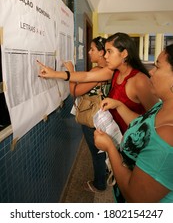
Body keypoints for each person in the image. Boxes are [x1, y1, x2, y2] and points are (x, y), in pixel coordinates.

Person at [94, 44, 173, 203]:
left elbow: (135, 198)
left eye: (157, 66)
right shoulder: (163, 105)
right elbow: (144, 127)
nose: (151, 71)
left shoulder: (168, 138)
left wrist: (110, 147)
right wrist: (120, 106)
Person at [37, 32, 158, 135]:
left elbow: (155, 120)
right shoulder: (113, 72)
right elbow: (86, 76)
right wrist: (54, 73)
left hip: (133, 138)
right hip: (115, 134)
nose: (105, 56)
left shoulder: (140, 80)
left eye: (109, 51)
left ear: (124, 54)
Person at [64, 36, 111, 192]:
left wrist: (71, 72)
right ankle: (105, 173)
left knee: (96, 152)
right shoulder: (110, 70)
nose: (89, 52)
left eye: (92, 49)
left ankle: (100, 184)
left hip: (93, 119)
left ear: (101, 52)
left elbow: (74, 92)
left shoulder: (98, 71)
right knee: (102, 149)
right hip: (104, 116)